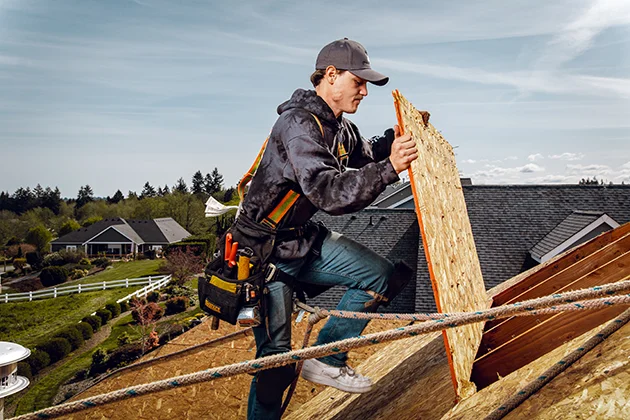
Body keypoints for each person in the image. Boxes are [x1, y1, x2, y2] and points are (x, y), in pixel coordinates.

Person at [243, 38, 418, 419]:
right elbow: (329, 192)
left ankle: (327, 357)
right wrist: (390, 170)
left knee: (380, 277)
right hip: (262, 251)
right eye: (359, 81)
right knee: (275, 369)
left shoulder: (338, 127)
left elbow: (368, 153)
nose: (364, 90)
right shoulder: (298, 126)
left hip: (301, 240)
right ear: (332, 76)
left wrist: (396, 139)